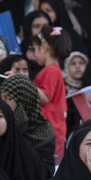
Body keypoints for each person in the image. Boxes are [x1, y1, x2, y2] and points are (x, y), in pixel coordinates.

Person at [0, 74, 56, 172]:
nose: (2, 104)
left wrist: (18, 127)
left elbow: (42, 173)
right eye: (1, 98)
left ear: (24, 100)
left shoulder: (45, 132)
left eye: (9, 99)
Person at [33, 26, 72, 161]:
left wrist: (23, 82)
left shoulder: (50, 70)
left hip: (48, 134)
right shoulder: (55, 70)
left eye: (35, 49)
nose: (34, 54)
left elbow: (45, 98)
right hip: (53, 132)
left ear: (43, 47)